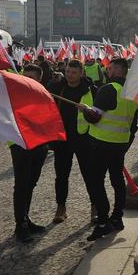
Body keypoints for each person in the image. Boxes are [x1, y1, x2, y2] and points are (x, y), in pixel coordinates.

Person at [82, 58, 138, 241]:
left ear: (118, 70)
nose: (108, 70)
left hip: (101, 143)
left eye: (111, 67)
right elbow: (134, 125)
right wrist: (125, 143)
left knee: (95, 182)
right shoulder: (132, 93)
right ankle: (117, 217)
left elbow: (94, 117)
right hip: (120, 144)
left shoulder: (108, 89)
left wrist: (85, 110)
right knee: (116, 179)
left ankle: (103, 221)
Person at [48, 59, 98, 224]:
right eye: (68, 71)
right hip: (63, 139)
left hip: (84, 139)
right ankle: (61, 207)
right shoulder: (57, 87)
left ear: (81, 73)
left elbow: (99, 115)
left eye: (74, 72)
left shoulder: (90, 89)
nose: (70, 75)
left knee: (90, 174)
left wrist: (88, 112)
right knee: (61, 175)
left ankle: (95, 206)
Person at [10, 64, 49, 242]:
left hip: (39, 145)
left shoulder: (44, 95)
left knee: (31, 183)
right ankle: (20, 225)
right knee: (21, 185)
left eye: (31, 78)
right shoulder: (13, 96)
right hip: (20, 145)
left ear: (39, 80)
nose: (26, 81)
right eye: (24, 77)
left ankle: (26, 218)